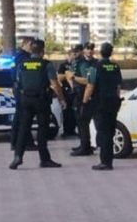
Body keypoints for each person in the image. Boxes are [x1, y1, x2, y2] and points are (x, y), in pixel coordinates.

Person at [10, 39, 66, 170]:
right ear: (42, 52)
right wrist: (61, 99)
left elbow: (17, 82)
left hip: (25, 99)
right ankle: (44, 159)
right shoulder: (46, 64)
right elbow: (54, 83)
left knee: (24, 129)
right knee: (42, 130)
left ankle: (17, 156)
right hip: (41, 101)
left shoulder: (22, 64)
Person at [84, 42, 123, 171]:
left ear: (101, 52)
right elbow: (118, 87)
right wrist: (117, 101)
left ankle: (105, 162)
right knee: (110, 132)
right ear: (111, 53)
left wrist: (84, 102)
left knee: (103, 132)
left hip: (100, 103)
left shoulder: (96, 66)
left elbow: (90, 86)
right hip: (113, 103)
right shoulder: (115, 67)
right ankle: (109, 160)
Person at [69, 42, 98, 156]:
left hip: (88, 95)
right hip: (79, 94)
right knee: (80, 121)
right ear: (84, 50)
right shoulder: (79, 62)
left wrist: (75, 78)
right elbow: (69, 75)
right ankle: (84, 144)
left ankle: (86, 146)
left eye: (91, 49)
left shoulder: (96, 63)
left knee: (84, 120)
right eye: (87, 49)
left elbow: (88, 81)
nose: (90, 51)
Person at [9, 37, 34, 151]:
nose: (32, 47)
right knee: (23, 117)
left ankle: (16, 142)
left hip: (18, 88)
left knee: (19, 117)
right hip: (22, 90)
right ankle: (25, 143)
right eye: (31, 45)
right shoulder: (23, 57)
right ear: (25, 44)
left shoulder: (19, 56)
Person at [57, 45, 82, 137]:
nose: (74, 56)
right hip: (66, 91)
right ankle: (67, 130)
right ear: (68, 55)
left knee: (75, 111)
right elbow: (59, 77)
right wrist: (67, 75)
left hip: (76, 90)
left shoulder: (78, 65)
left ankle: (74, 129)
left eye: (75, 54)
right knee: (66, 111)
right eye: (72, 54)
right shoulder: (63, 65)